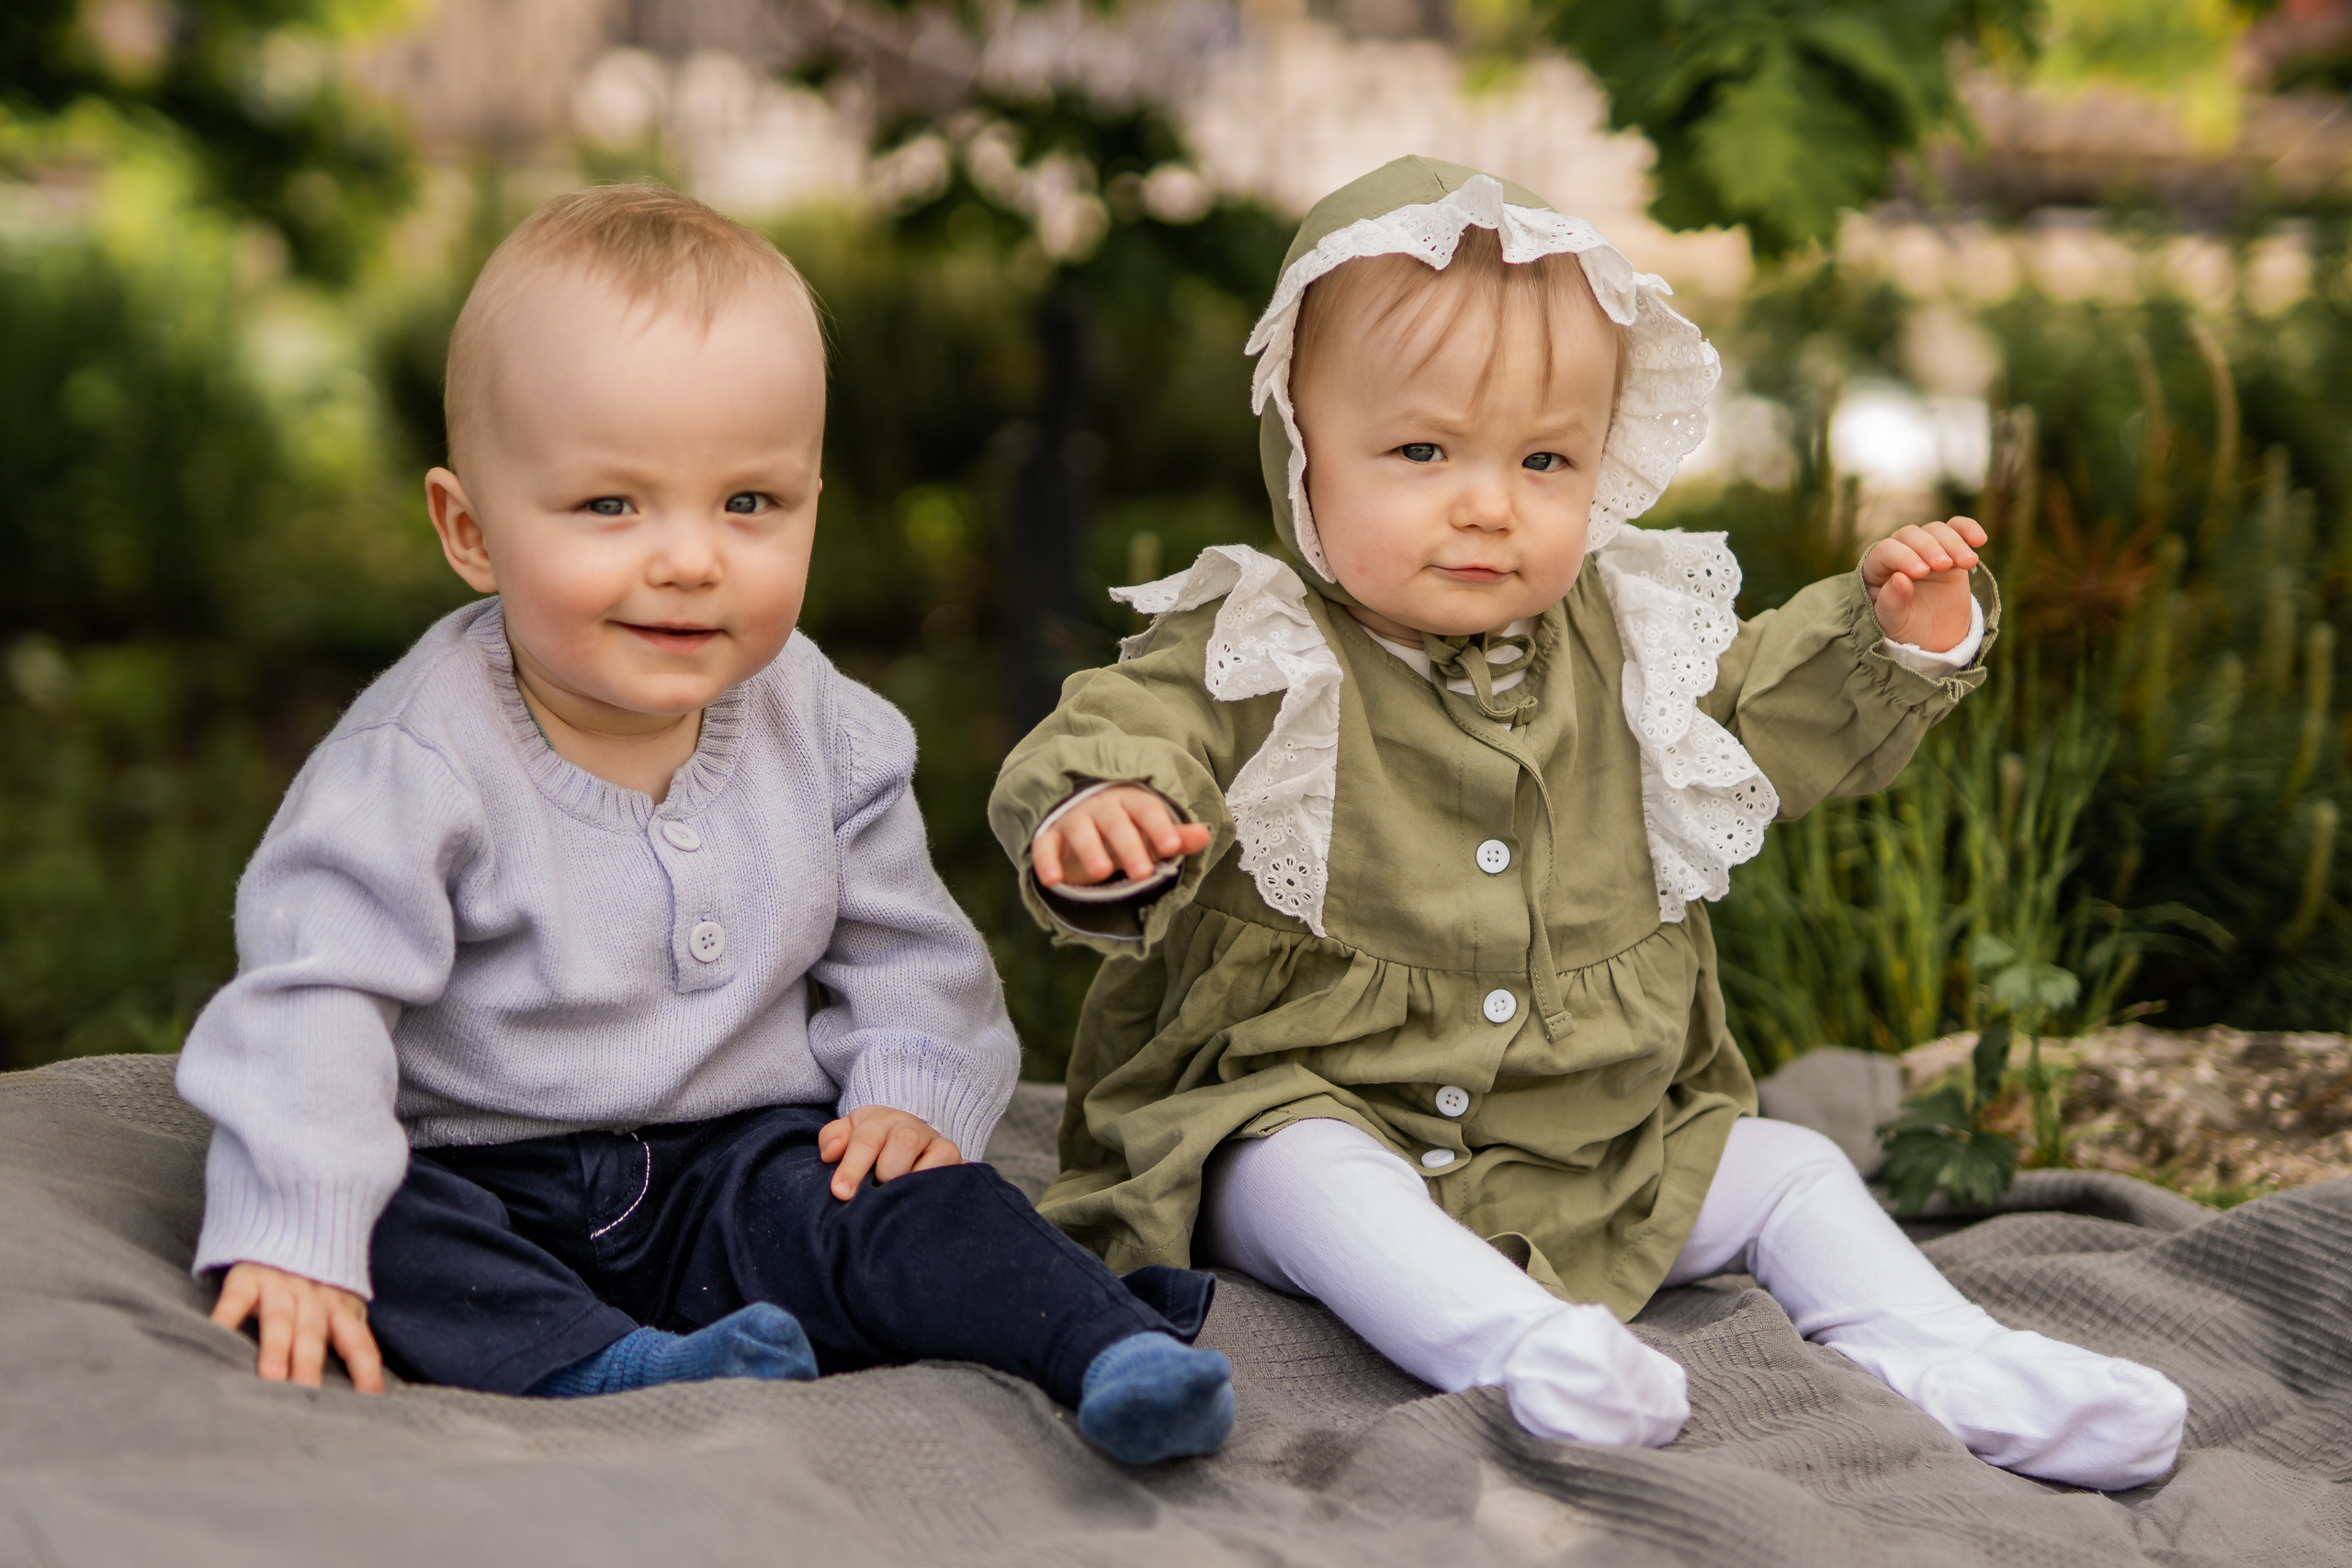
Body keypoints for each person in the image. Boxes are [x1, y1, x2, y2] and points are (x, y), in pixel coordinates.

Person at [989, 156, 2187, 1489]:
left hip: (1592, 1135)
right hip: (1313, 1090)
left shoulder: (1634, 637)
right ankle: (1520, 1348)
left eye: (1544, 458)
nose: (1489, 501)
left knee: (1783, 1168)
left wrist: (1890, 636)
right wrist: (1108, 813)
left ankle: (1949, 1352)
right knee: (1297, 1176)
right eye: (1423, 451)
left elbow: (1765, 710)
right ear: (1299, 446)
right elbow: (1131, 731)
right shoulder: (1260, 641)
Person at [177, 183, 1233, 1466]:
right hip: (488, 1175)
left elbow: (909, 950)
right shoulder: (415, 761)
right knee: (387, 1223)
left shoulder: (825, 727)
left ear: (812, 504)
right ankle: (610, 1365)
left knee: (914, 1202)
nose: (690, 559)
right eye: (611, 507)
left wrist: (909, 1093)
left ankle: (1105, 1347)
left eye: (749, 505)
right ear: (471, 530)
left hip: (747, 1164)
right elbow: (314, 996)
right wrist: (302, 1224)